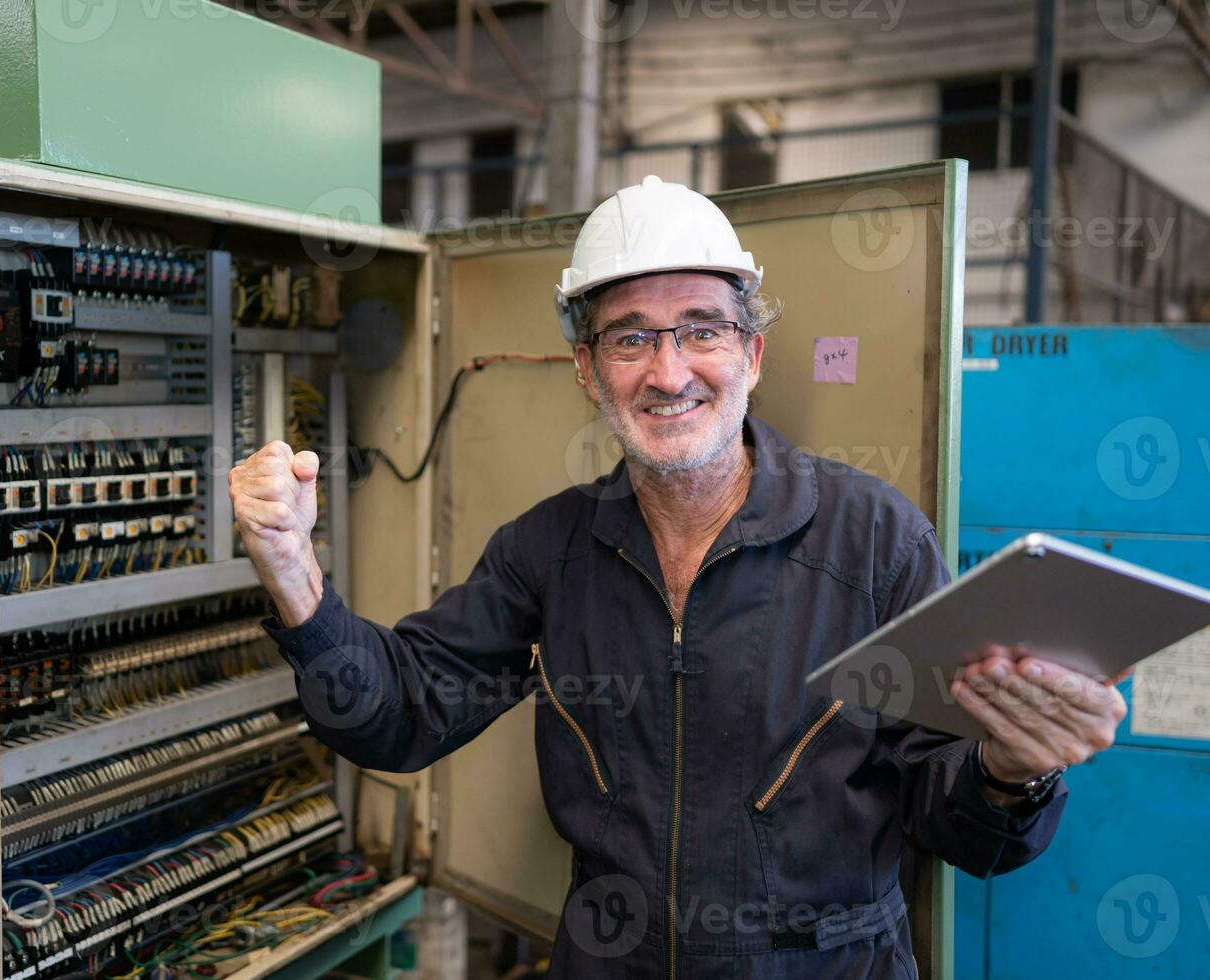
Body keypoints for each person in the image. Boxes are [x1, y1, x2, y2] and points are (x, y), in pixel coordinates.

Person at [228, 176, 1126, 978]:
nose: (669, 372)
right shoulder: (547, 551)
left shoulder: (872, 539)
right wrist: (295, 574)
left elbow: (961, 825)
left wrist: (1013, 768)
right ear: (586, 370)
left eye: (701, 330)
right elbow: (397, 717)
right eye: (629, 339)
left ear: (751, 353)